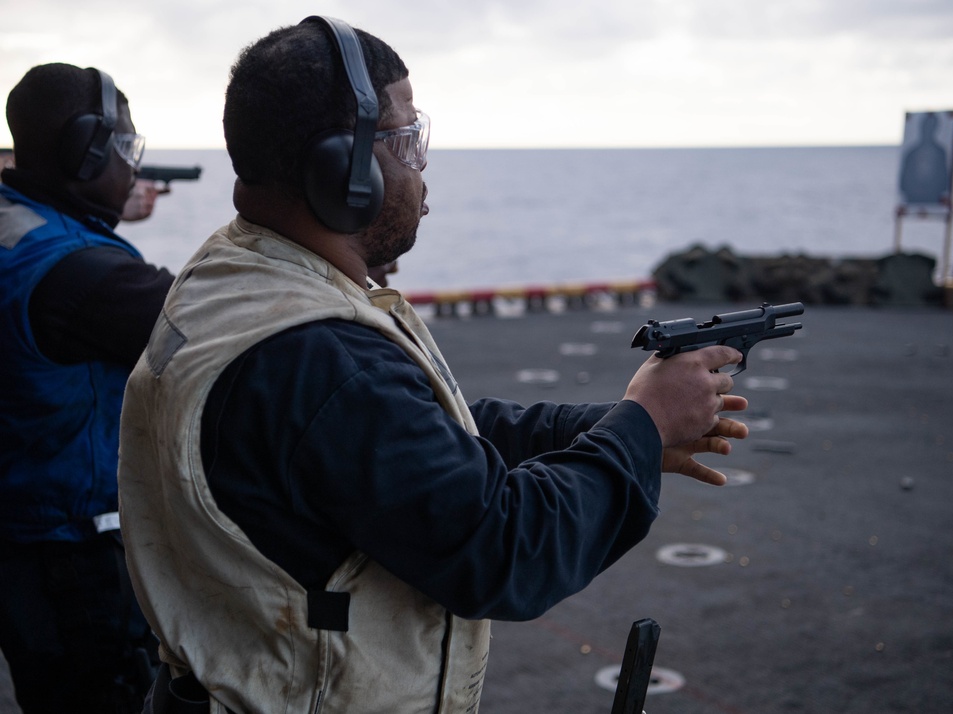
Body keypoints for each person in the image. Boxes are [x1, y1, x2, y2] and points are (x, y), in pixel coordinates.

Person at [117, 16, 749, 714]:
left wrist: (610, 427)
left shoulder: (237, 276)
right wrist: (643, 427)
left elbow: (424, 438)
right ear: (346, 171)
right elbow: (504, 550)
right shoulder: (318, 356)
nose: (420, 166)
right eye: (407, 139)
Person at [0, 63, 174, 713]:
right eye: (124, 149)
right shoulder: (85, 277)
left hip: (24, 549)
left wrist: (99, 208)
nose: (131, 166)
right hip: (74, 559)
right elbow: (219, 320)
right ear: (86, 151)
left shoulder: (18, 224)